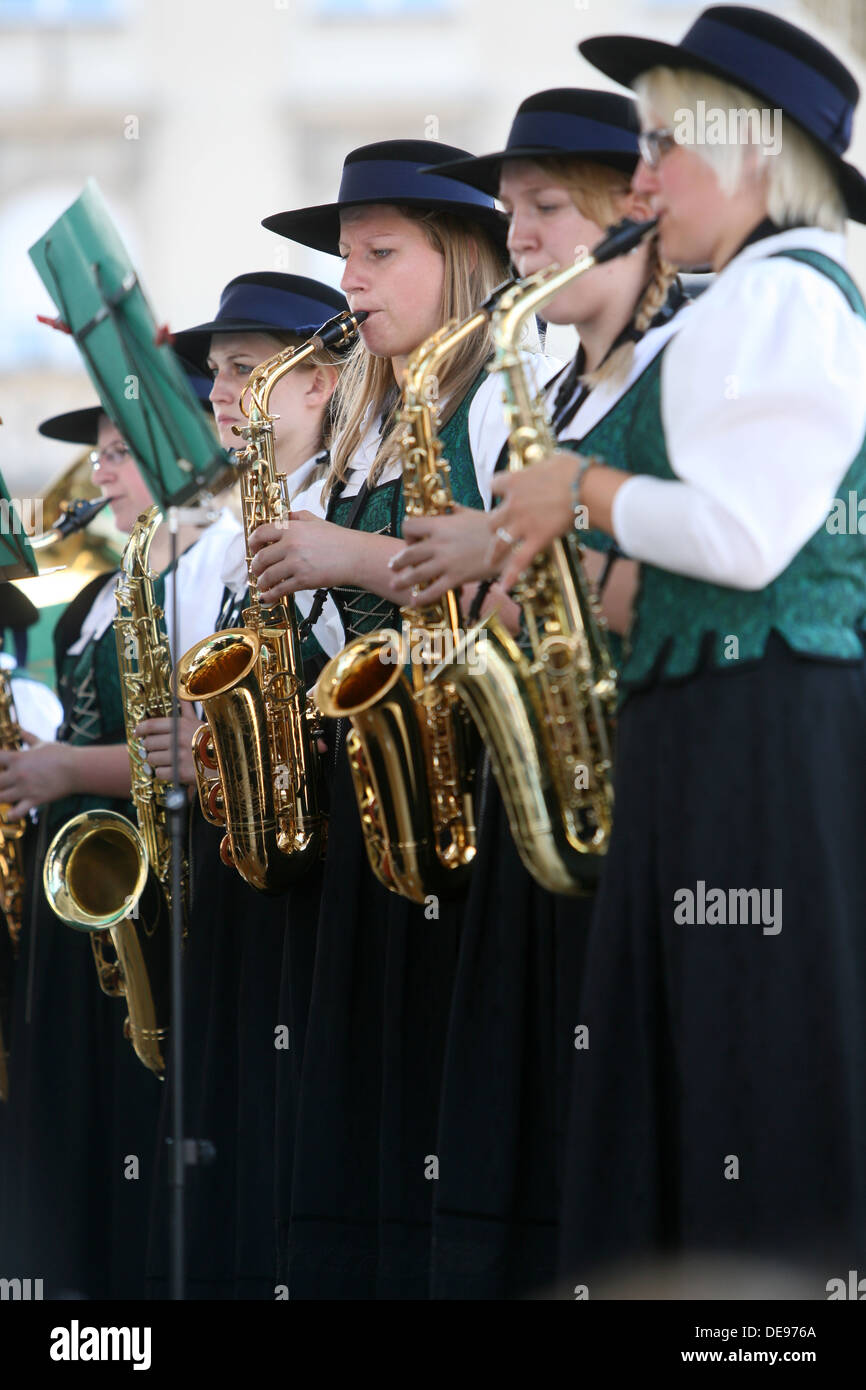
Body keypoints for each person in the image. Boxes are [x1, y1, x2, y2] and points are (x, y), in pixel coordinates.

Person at [470, 4, 866, 1285]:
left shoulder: (786, 298)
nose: (636, 181)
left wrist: (573, 495)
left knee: (750, 1053)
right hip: (714, 724)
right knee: (703, 1054)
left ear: (750, 158)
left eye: (658, 151)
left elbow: (745, 538)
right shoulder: (739, 302)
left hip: (759, 729)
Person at [386, 89, 687, 1298]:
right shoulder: (546, 385)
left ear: (632, 216)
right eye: (507, 212)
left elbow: (678, 577)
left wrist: (498, 566)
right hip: (546, 799)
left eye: (546, 207)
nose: (515, 235)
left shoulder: (682, 361)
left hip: (654, 784)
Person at [252, 138, 559, 1297]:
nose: (351, 282)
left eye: (379, 253)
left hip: (467, 783)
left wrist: (350, 555)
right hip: (373, 790)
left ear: (465, 258)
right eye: (346, 260)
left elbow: (519, 579)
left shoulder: (489, 393)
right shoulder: (364, 423)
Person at [0, 399, 239, 1298]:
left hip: (149, 870)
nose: (101, 472)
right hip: (86, 867)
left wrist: (64, 771)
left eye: (118, 452)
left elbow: (186, 744)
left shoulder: (204, 565)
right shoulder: (112, 583)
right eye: (99, 455)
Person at [141, 272, 347, 1298]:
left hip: (320, 858)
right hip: (241, 857)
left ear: (320, 385)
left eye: (249, 370)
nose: (222, 392)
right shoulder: (222, 541)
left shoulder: (341, 508)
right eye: (217, 373)